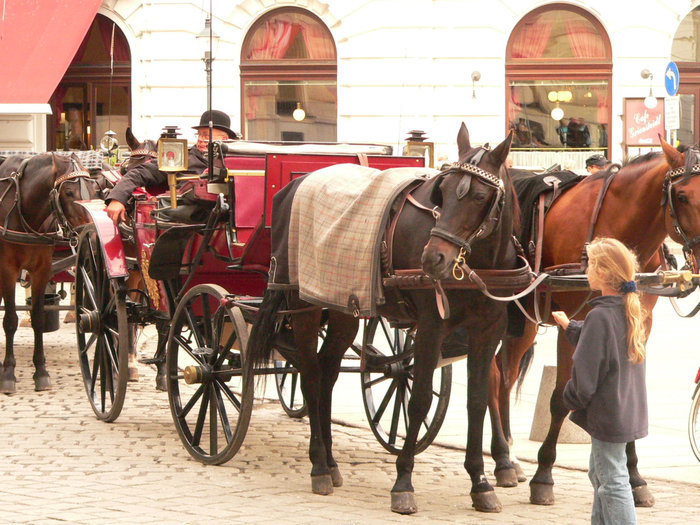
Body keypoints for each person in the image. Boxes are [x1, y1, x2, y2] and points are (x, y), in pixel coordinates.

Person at [551, 237, 648, 525]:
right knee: (601, 473)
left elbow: (585, 378)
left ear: (605, 273)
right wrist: (571, 327)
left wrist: (567, 401)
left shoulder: (599, 317)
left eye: (591, 264)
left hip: (607, 415)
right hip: (624, 412)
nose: (587, 270)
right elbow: (606, 343)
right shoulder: (625, 311)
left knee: (613, 479)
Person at [105, 109, 239, 224]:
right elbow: (140, 172)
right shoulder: (179, 158)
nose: (201, 139)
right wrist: (118, 198)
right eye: (199, 135)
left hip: (229, 218)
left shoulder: (234, 161)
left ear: (225, 139)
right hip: (186, 223)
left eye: (206, 135)